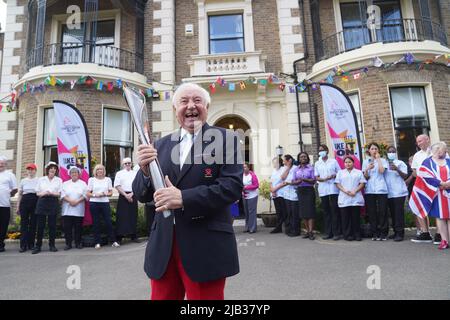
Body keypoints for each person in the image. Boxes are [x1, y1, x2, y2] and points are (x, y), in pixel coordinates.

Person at [132, 82, 242, 300]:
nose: (191, 106)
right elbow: (141, 194)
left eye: (197, 100)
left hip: (205, 244)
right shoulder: (160, 145)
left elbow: (232, 187)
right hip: (164, 245)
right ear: (175, 111)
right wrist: (144, 171)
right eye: (184, 101)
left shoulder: (226, 139)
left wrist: (183, 198)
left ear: (206, 108)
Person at [409, 142, 450, 250]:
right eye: (443, 149)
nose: (445, 151)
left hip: (449, 191)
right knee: (440, 217)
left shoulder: (448, 161)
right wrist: (440, 183)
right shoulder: (427, 162)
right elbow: (424, 175)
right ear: (437, 150)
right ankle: (444, 240)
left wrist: (448, 183)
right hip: (436, 193)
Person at [410, 134, 438, 244]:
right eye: (417, 142)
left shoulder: (437, 151)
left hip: (435, 184)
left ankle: (439, 234)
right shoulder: (417, 155)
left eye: (420, 141)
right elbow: (415, 172)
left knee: (436, 208)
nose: (419, 143)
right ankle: (425, 233)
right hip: (422, 185)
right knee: (419, 206)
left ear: (428, 140)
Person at [87, 164, 120, 249]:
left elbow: (110, 193)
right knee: (96, 223)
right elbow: (88, 193)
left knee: (108, 222)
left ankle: (113, 241)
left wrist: (105, 194)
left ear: (104, 171)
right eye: (98, 169)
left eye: (101, 169)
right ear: (95, 171)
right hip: (94, 203)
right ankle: (97, 242)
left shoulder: (108, 179)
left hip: (104, 202)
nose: (100, 171)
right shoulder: (91, 180)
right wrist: (95, 195)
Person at [33, 162, 62, 254]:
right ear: (47, 170)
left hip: (53, 201)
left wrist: (52, 193)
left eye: (54, 169)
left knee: (52, 226)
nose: (52, 170)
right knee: (40, 226)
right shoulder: (41, 179)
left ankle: (52, 245)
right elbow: (37, 193)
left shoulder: (59, 180)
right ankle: (38, 246)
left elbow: (60, 193)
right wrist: (45, 193)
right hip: (42, 201)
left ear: (56, 171)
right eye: (51, 168)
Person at [335, 156, 366, 241]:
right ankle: (347, 235)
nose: (347, 164)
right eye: (346, 162)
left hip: (355, 197)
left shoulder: (358, 172)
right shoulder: (340, 172)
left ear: (353, 163)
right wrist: (345, 191)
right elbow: (337, 184)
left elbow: (362, 183)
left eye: (349, 162)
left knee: (355, 218)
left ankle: (357, 235)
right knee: (345, 218)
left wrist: (354, 191)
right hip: (344, 197)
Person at [314, 144, 342, 240]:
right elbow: (316, 177)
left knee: (335, 211)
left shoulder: (333, 161)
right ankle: (328, 232)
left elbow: (340, 172)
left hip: (333, 189)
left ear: (327, 151)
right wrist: (322, 179)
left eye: (323, 150)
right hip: (323, 189)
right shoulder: (317, 163)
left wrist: (333, 175)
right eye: (320, 150)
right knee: (326, 211)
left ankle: (336, 233)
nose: (321, 151)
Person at [362, 142, 389, 241]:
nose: (374, 150)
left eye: (376, 149)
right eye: (372, 149)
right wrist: (367, 169)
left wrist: (378, 159)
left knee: (382, 211)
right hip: (370, 190)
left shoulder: (383, 160)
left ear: (378, 150)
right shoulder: (365, 162)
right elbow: (366, 177)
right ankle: (374, 232)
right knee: (372, 212)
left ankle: (383, 233)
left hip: (381, 189)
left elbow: (382, 171)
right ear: (369, 151)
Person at [385, 146, 409, 241]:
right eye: (389, 151)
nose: (391, 153)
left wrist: (397, 169)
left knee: (398, 213)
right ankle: (395, 231)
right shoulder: (385, 164)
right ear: (387, 153)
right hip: (389, 193)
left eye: (393, 151)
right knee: (393, 213)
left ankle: (400, 233)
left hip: (399, 192)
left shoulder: (400, 163)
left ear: (396, 153)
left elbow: (405, 176)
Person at [61, 166, 88, 250]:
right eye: (72, 172)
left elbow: (85, 195)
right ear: (69, 174)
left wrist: (77, 201)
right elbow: (62, 194)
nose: (74, 174)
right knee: (67, 228)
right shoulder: (65, 184)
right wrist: (70, 201)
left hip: (78, 209)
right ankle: (68, 244)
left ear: (79, 174)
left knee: (78, 227)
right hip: (67, 209)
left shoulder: (83, 183)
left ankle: (78, 243)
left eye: (76, 172)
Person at [114, 157, 139, 244]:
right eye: (126, 163)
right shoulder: (119, 173)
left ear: (131, 164)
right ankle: (119, 237)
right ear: (123, 165)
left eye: (129, 163)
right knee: (121, 217)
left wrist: (131, 194)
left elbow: (137, 185)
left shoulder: (135, 173)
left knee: (133, 215)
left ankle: (133, 236)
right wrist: (126, 195)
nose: (127, 165)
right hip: (123, 195)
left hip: (133, 195)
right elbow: (117, 185)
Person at [292, 152, 316, 240]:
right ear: (298, 159)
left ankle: (311, 232)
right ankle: (307, 231)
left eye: (305, 157)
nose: (303, 158)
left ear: (307, 158)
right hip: (300, 191)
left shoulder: (311, 168)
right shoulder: (296, 169)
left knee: (310, 212)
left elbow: (314, 180)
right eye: (301, 157)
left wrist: (304, 179)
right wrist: (297, 182)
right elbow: (293, 181)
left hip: (309, 190)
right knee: (303, 213)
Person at [17, 163, 38, 252]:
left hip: (35, 201)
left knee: (33, 224)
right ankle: (23, 245)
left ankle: (31, 244)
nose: (30, 171)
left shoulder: (38, 180)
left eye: (32, 169)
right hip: (24, 201)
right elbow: (20, 194)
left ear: (35, 171)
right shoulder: (23, 181)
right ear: (27, 171)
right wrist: (18, 206)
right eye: (28, 169)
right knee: (24, 224)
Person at [0, 156, 18, 253]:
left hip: (5, 205)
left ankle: (1, 244)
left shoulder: (10, 175)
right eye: (0, 163)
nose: (1, 165)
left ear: (6, 165)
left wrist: (7, 195)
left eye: (2, 163)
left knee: (3, 225)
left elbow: (15, 189)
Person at [280, 154, 300, 237]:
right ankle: (290, 229)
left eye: (285, 160)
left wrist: (289, 182)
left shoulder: (296, 168)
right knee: (289, 213)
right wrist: (288, 167)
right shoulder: (285, 168)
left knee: (295, 213)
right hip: (287, 194)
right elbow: (283, 177)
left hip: (294, 194)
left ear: (289, 160)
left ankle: (296, 230)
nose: (283, 162)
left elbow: (295, 179)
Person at [270, 157, 288, 234]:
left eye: (275, 162)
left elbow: (285, 182)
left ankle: (284, 226)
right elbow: (270, 182)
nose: (274, 164)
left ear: (279, 163)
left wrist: (275, 189)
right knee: (278, 212)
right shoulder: (273, 171)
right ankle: (279, 228)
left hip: (281, 193)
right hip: (274, 194)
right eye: (273, 162)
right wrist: (272, 190)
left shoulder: (284, 169)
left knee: (284, 212)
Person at [242, 163, 259, 234]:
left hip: (252, 196)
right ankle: (247, 227)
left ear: (249, 168)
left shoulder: (252, 175)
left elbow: (256, 185)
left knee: (251, 212)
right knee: (246, 212)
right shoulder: (241, 175)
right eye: (243, 167)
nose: (244, 168)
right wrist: (242, 191)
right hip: (244, 196)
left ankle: (252, 228)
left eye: (245, 167)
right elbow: (240, 184)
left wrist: (246, 187)